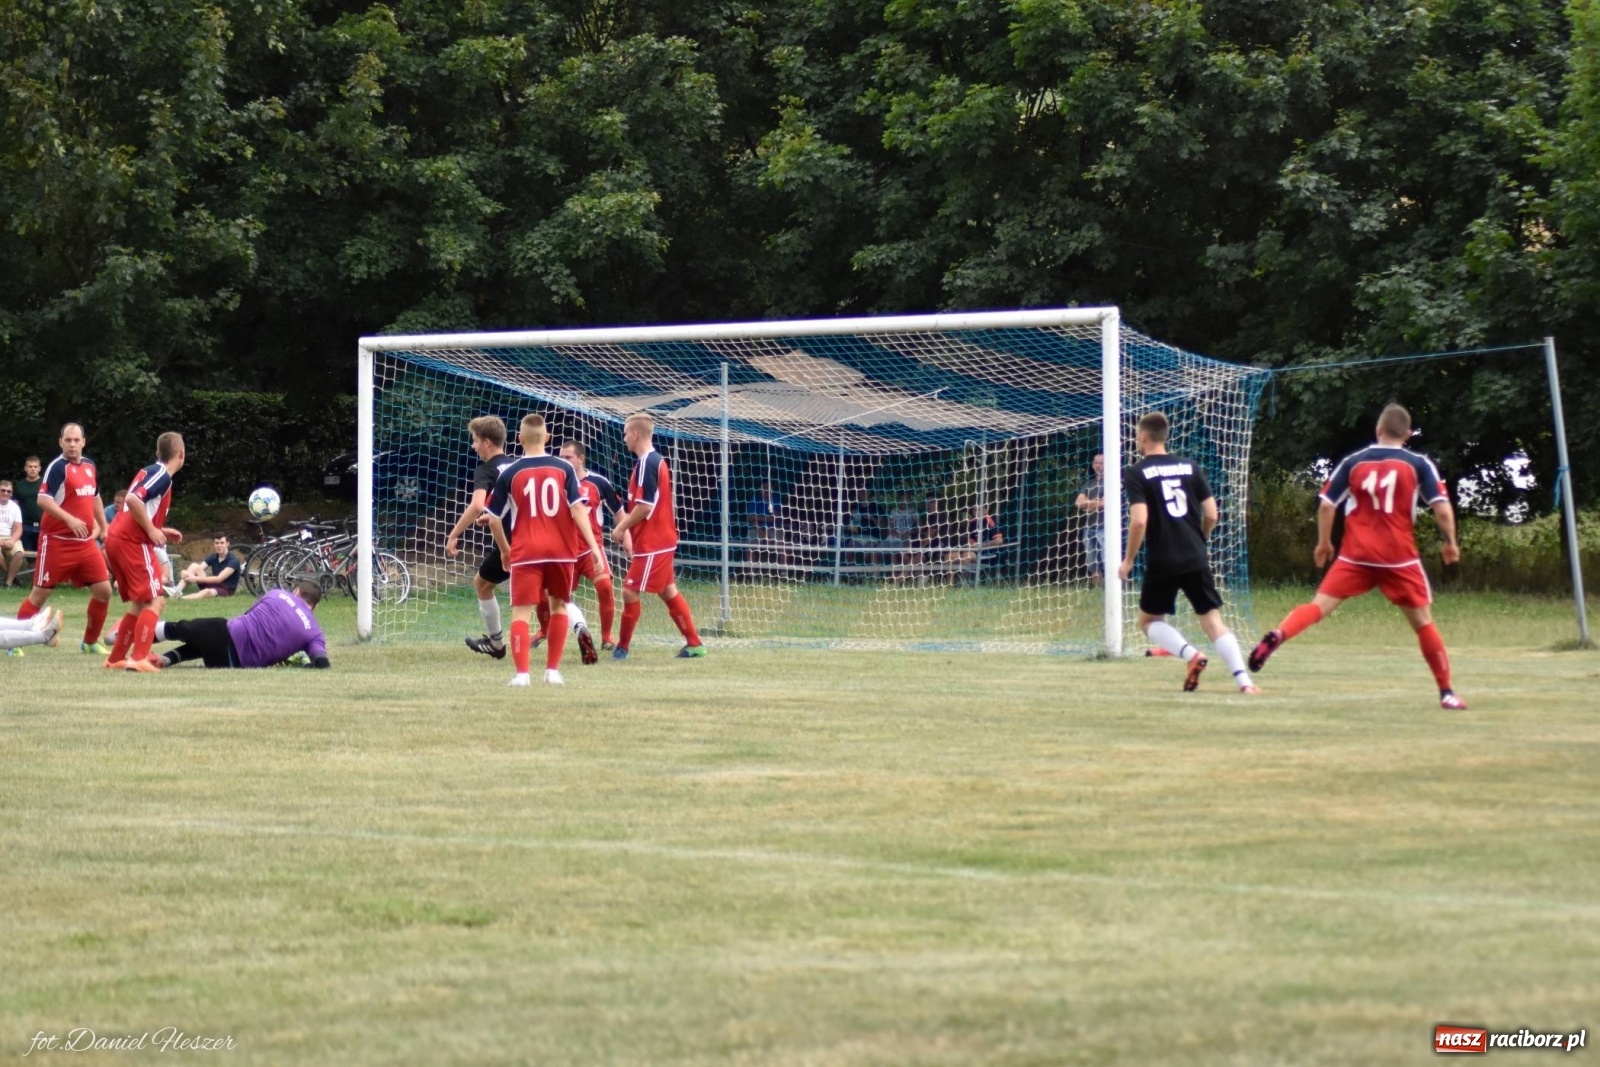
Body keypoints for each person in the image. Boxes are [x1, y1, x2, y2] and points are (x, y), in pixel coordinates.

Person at [1249, 403, 1467, 709]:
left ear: (1378, 429)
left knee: (1319, 607)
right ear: (1406, 434)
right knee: (1422, 623)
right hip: (1398, 557)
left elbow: (1326, 505)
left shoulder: (1353, 462)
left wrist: (1324, 543)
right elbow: (1442, 509)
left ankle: (1278, 633)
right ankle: (1446, 693)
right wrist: (1450, 542)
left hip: (1356, 554)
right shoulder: (1418, 464)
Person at [1117, 412, 1258, 694]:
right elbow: (1212, 514)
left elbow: (1140, 520)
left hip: (1163, 558)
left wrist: (1129, 559)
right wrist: (1199, 539)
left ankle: (1192, 655)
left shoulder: (1136, 472)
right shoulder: (1190, 467)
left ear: (1143, 437)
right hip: (1196, 555)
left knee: (1148, 621)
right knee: (1212, 621)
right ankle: (1245, 683)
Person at [484, 413, 603, 686]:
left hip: (527, 551)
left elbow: (492, 518)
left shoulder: (510, 472)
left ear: (520, 438)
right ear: (547, 437)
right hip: (561, 550)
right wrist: (595, 548)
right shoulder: (564, 469)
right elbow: (577, 509)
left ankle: (523, 674)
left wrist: (504, 550)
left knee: (521, 612)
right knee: (559, 606)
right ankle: (552, 671)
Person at [608, 413, 705, 660]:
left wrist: (622, 528)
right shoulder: (652, 461)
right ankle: (695, 644)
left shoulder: (647, 463)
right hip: (657, 542)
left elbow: (645, 507)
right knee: (668, 591)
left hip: (654, 543)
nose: (624, 438)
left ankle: (622, 647)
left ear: (636, 434)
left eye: (626, 433)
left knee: (629, 590)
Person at [14, 425, 114, 653]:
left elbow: (95, 497)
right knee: (40, 594)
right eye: (67, 440)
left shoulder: (89, 466)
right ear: (60, 442)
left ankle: (89, 643)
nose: (72, 444)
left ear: (83, 442)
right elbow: (43, 500)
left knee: (104, 591)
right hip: (57, 541)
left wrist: (104, 526)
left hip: (85, 543)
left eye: (76, 440)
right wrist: (70, 519)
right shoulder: (57, 468)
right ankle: (14, 643)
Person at [102, 432, 185, 672]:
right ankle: (139, 658)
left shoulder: (151, 471)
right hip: (131, 542)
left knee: (140, 604)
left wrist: (159, 528)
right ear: (181, 454)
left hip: (118, 538)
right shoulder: (163, 475)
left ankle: (116, 658)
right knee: (155, 601)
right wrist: (150, 530)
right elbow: (132, 500)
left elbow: (140, 507)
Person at [447, 416, 519, 661]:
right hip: (531, 537)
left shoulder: (486, 470)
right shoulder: (516, 465)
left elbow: (477, 505)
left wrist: (454, 534)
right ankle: (579, 626)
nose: (473, 446)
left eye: (475, 441)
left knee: (482, 584)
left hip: (508, 542)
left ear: (487, 442)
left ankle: (497, 643)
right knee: (548, 592)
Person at [150, 582, 329, 669]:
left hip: (227, 635)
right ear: (315, 606)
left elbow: (248, 615)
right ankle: (165, 660)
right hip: (231, 664)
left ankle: (138, 635)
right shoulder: (315, 632)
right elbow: (321, 661)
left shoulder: (278, 594)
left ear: (296, 592)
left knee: (182, 628)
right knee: (203, 644)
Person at [560, 439, 628, 652]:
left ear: (580, 459)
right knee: (555, 596)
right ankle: (545, 631)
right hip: (565, 551)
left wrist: (627, 539)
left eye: (568, 457)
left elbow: (618, 511)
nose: (564, 461)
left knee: (605, 587)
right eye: (561, 457)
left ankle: (607, 637)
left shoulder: (598, 483)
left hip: (591, 550)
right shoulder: (556, 481)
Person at [171, 533, 243, 599]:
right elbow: (198, 569)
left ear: (227, 544)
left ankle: (181, 599)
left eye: (222, 543)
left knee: (207, 592)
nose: (219, 546)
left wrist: (195, 579)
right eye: (217, 543)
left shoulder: (233, 561)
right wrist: (184, 572)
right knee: (194, 566)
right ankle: (177, 591)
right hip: (213, 584)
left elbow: (219, 579)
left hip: (225, 589)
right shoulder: (214, 556)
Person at [1075, 453, 1106, 585]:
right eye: (1096, 463)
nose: (1098, 465)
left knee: (1108, 561)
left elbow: (1104, 504)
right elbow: (1078, 503)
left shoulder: (1113, 482)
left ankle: (1114, 592)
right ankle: (1099, 591)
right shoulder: (1089, 484)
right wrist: (1096, 503)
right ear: (1093, 465)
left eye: (1101, 463)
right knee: (1092, 563)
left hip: (1105, 527)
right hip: (1089, 528)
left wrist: (1088, 504)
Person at [12, 455, 43, 555]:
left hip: (43, 525)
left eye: (35, 466)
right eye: (30, 466)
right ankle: (31, 571)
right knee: (29, 556)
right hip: (25, 526)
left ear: (39, 468)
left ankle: (42, 571)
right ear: (25, 468)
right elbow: (15, 506)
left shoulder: (45, 484)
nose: (32, 469)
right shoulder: (19, 485)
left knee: (43, 555)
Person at [0, 481, 25, 588]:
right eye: (3, 490)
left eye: (8, 491)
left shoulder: (15, 507)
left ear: (11, 493)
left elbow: (19, 528)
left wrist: (12, 541)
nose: (6, 493)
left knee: (19, 553)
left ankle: (8, 583)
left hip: (10, 537)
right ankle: (12, 576)